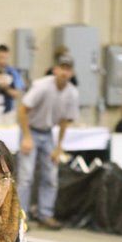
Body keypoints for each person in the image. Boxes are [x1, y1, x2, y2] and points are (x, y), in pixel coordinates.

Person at [17, 54, 79, 230]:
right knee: (26, 177)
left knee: (51, 176)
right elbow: (22, 110)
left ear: (71, 72)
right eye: (62, 68)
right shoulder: (42, 87)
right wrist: (27, 137)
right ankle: (20, 216)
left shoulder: (72, 93)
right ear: (55, 69)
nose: (64, 72)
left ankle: (45, 214)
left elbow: (65, 121)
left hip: (48, 133)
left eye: (68, 69)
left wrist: (59, 147)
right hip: (31, 129)